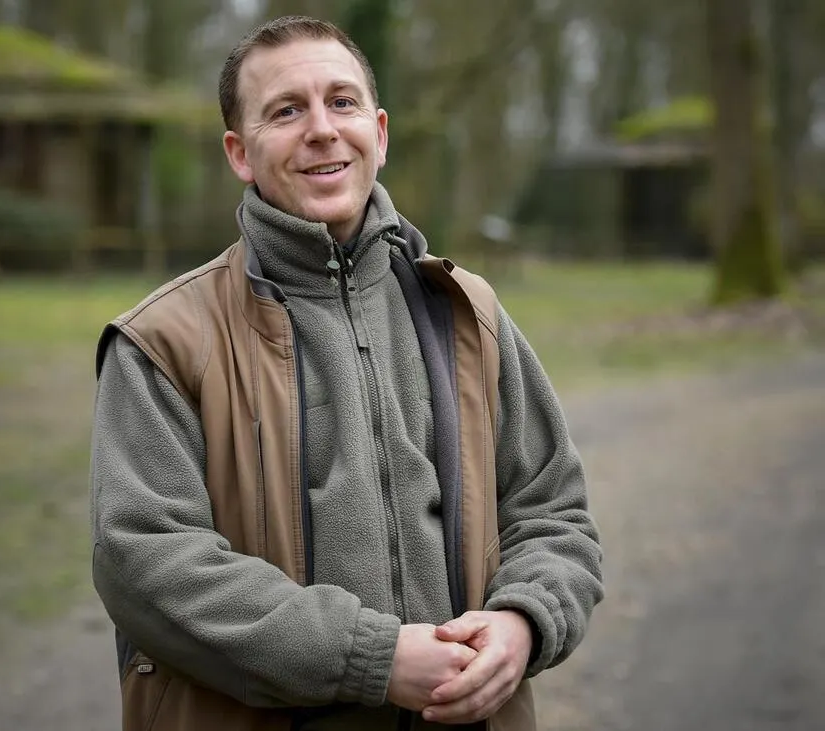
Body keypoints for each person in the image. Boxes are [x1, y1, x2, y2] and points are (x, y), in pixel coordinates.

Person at [90, 15, 602, 731]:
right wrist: (372, 658)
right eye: (286, 111)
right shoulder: (163, 341)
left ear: (379, 134)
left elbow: (553, 513)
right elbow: (144, 559)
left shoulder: (467, 311)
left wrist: (524, 620)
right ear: (240, 153)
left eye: (342, 102)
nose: (323, 129)